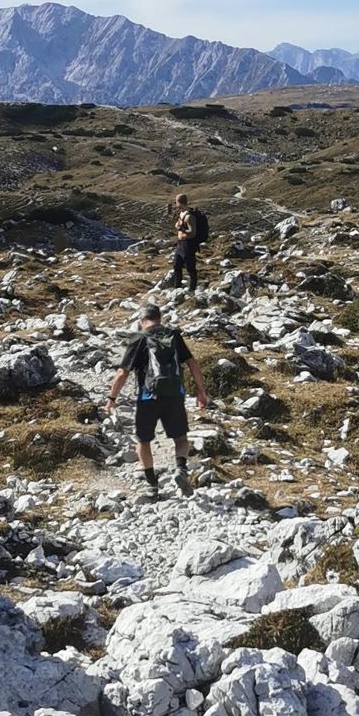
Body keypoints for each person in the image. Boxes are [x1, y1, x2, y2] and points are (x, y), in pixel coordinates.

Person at [106, 302, 209, 496]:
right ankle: (180, 469)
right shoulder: (174, 335)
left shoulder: (139, 339)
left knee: (143, 441)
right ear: (159, 319)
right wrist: (201, 391)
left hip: (148, 398)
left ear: (142, 321)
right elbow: (193, 363)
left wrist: (112, 397)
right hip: (174, 395)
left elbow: (122, 372)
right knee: (180, 438)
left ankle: (152, 485)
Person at [169, 194, 207, 293]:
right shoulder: (181, 213)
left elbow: (192, 233)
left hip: (188, 244)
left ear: (180, 203)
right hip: (180, 243)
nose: (175, 204)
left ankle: (192, 289)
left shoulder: (189, 216)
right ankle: (177, 287)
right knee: (176, 265)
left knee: (190, 267)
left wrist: (181, 229)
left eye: (176, 202)